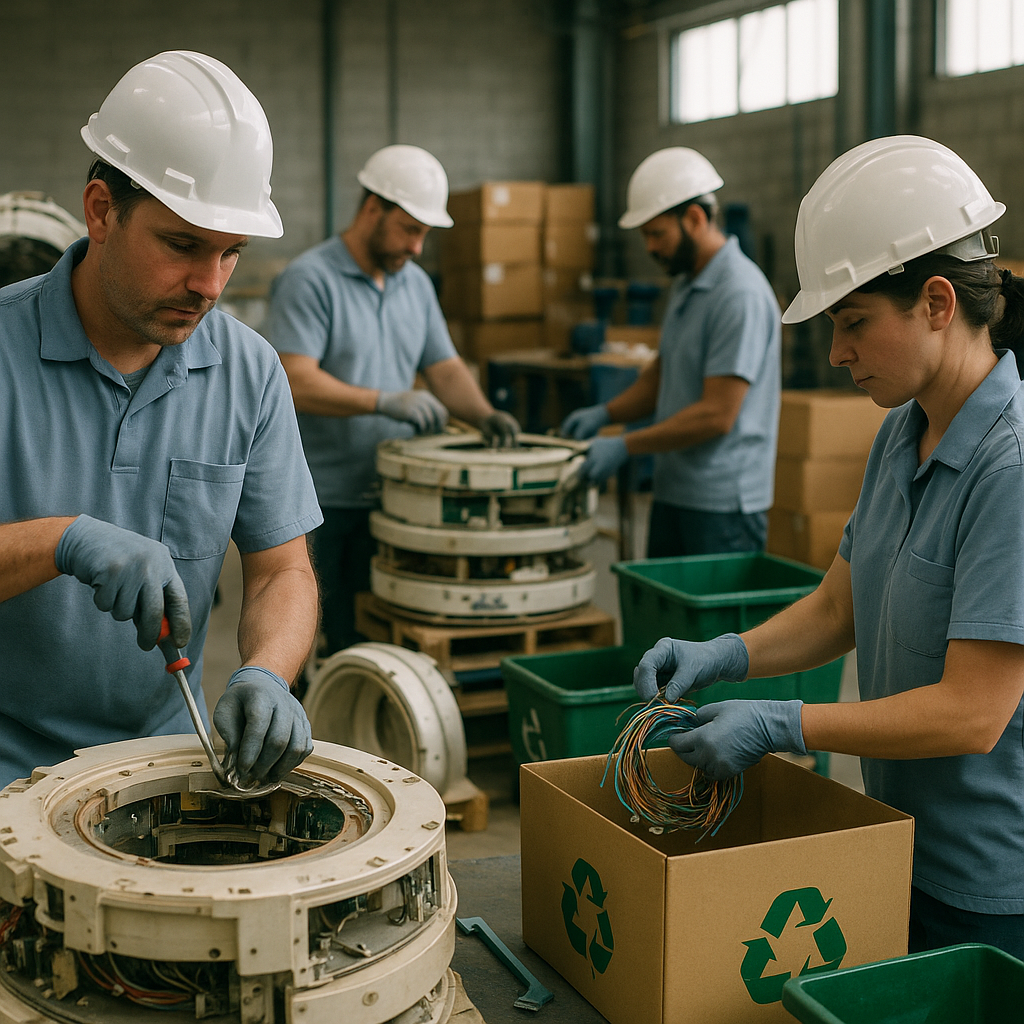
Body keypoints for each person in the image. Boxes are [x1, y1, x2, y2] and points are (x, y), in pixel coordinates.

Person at [633, 136, 1024, 959]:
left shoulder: (1010, 468)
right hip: (894, 840)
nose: (837, 352)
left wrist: (787, 722)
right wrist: (727, 653)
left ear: (939, 303)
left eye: (853, 323)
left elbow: (974, 711)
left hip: (990, 889)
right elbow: (838, 605)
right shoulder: (901, 434)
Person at [0, 51, 323, 792]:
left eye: (230, 254)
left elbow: (282, 569)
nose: (209, 285)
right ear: (101, 211)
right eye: (183, 245)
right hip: (8, 765)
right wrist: (61, 541)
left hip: (167, 756)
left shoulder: (250, 373)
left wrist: (268, 672)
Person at [266, 144, 519, 654]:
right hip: (320, 504)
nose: (418, 247)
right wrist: (382, 401)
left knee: (373, 632)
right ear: (372, 209)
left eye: (425, 234)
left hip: (397, 497)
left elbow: (443, 367)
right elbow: (293, 378)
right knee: (303, 636)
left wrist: (484, 414)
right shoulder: (311, 280)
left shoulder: (416, 286)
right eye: (411, 229)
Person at [560, 147, 780, 558]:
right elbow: (662, 375)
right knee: (667, 621)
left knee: (713, 624)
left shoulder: (739, 295)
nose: (650, 247)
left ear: (695, 219)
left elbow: (717, 414)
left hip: (721, 506)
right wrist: (606, 415)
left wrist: (625, 445)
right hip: (676, 489)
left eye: (657, 234)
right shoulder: (687, 284)